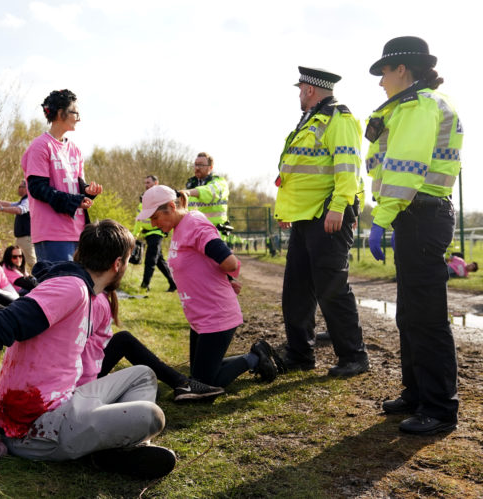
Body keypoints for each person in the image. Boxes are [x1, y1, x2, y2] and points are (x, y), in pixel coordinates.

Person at [0, 219, 176, 479]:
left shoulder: (87, 292)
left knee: (143, 374)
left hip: (64, 400)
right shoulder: (71, 288)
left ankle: (119, 449)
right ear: (118, 264)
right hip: (36, 430)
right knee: (151, 416)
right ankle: (115, 450)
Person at [366, 36, 463, 435]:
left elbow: (406, 168)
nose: (380, 81)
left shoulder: (420, 106)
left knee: (426, 316)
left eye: (384, 72)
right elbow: (384, 164)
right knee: (410, 312)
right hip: (415, 215)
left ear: (401, 69)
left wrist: (382, 217)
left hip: (420, 213)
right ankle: (417, 392)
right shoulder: (409, 106)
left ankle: (439, 408)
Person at [274, 66, 370, 377]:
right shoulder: (311, 120)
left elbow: (348, 167)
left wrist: (339, 206)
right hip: (306, 214)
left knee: (332, 288)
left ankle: (354, 357)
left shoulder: (338, 118)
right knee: (296, 290)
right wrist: (288, 210)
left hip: (328, 213)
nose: (299, 94)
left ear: (310, 89)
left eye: (300, 88)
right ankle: (300, 354)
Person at [139, 185, 283, 389]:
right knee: (197, 373)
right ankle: (254, 355)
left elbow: (229, 261)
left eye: (155, 218)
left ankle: (254, 358)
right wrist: (223, 277)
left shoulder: (195, 226)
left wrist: (226, 276)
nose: (153, 223)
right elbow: (202, 261)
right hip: (200, 317)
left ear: (171, 206)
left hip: (216, 315)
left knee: (203, 384)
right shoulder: (180, 227)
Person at [79, 289, 225, 402]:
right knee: (124, 340)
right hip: (77, 383)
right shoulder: (95, 301)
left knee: (124, 341)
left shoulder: (98, 298)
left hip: (82, 375)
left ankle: (182, 383)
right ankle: (182, 383)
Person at [21, 89, 102, 262]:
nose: (79, 118)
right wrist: (74, 201)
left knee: (79, 286)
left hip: (79, 232)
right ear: (60, 113)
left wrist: (87, 191)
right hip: (52, 233)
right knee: (58, 286)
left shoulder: (75, 149)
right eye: (75, 113)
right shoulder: (40, 146)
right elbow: (37, 188)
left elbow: (76, 185)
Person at [132, 175, 177, 292]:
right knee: (159, 260)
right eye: (145, 183)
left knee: (150, 259)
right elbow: (139, 220)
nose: (146, 185)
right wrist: (134, 235)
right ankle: (173, 283)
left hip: (157, 233)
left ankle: (144, 285)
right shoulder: (143, 199)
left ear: (156, 183)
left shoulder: (161, 199)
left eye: (148, 182)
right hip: (147, 234)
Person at [0, 179, 37, 270]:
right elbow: (11, 205)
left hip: (26, 238)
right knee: (19, 261)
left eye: (20, 187)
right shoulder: (23, 200)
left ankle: (43, 281)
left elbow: (18, 210)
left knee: (32, 263)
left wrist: (1, 209)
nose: (18, 188)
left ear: (26, 188)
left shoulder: (27, 200)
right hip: (22, 238)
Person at [184, 152, 231, 238]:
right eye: (196, 165)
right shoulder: (191, 185)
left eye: (201, 165)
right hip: (195, 236)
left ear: (210, 167)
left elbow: (210, 192)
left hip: (215, 236)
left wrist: (188, 192)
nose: (197, 168)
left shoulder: (220, 183)